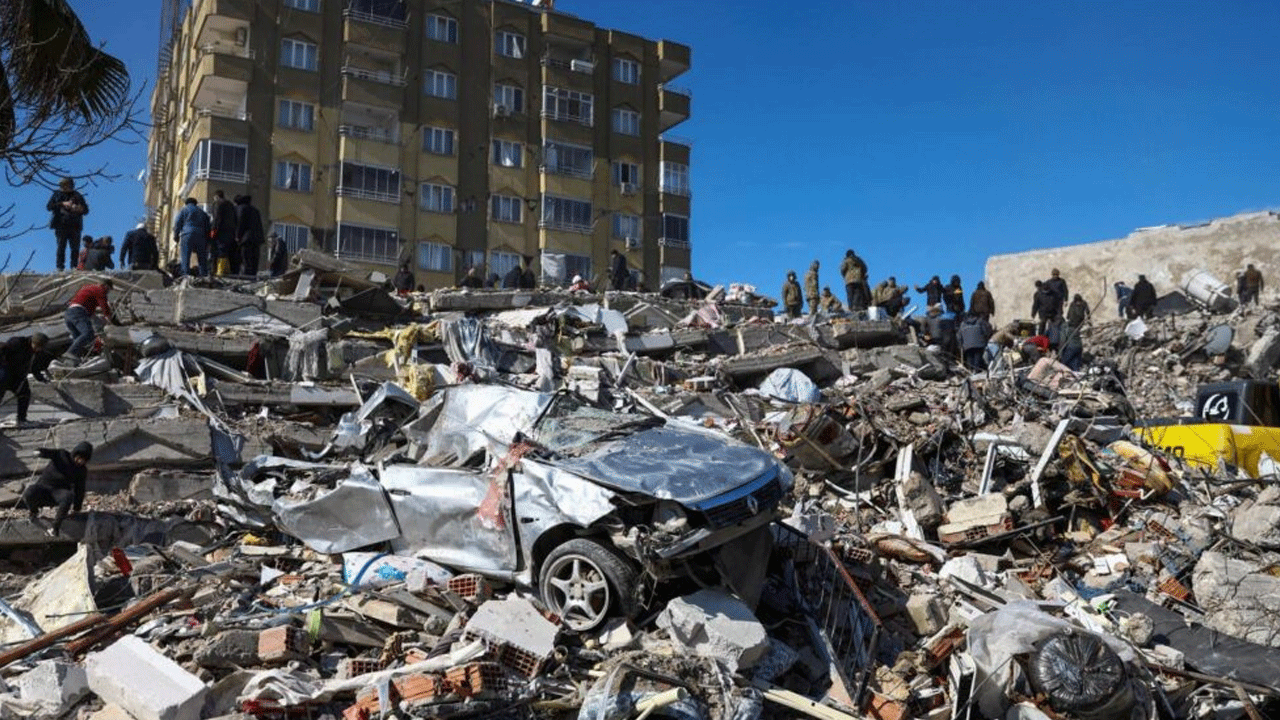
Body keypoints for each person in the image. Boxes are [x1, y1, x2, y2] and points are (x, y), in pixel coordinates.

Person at [19, 442, 92, 537]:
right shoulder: (62, 455)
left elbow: (80, 489)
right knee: (30, 491)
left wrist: (77, 508)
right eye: (79, 458)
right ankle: (34, 511)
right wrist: (39, 452)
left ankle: (55, 527)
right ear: (75, 454)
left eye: (84, 460)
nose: (80, 462)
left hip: (58, 493)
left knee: (68, 496)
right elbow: (49, 453)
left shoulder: (81, 471)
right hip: (43, 488)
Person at [0, 334, 52, 427]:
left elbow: (35, 367)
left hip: (18, 377)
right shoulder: (17, 343)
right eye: (37, 346)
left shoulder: (36, 352)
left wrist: (40, 377)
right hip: (5, 373)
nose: (38, 349)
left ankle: (21, 419)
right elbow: (3, 350)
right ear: (33, 342)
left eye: (40, 348)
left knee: (24, 394)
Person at [64, 279, 118, 364]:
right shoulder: (100, 290)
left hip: (69, 313)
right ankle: (70, 353)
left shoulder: (88, 288)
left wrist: (99, 320)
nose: (107, 293)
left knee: (78, 339)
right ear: (106, 286)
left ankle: (71, 362)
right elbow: (104, 306)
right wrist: (109, 318)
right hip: (78, 312)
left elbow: (91, 313)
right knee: (88, 334)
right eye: (109, 290)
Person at [46, 177, 89, 272]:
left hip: (75, 226)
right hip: (61, 224)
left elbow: (86, 210)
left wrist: (78, 208)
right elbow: (49, 206)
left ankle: (74, 267)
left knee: (75, 248)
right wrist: (62, 204)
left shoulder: (77, 195)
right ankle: (60, 267)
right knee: (61, 247)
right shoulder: (57, 195)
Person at [173, 197, 212, 277]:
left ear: (186, 203)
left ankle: (185, 274)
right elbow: (208, 226)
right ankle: (203, 275)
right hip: (201, 236)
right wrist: (208, 239)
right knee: (202, 257)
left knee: (185, 256)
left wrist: (176, 235)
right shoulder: (202, 212)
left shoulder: (184, 210)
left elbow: (178, 222)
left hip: (187, 234)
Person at [235, 195, 265, 276]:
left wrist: (238, 236)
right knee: (254, 260)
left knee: (246, 260)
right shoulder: (255, 210)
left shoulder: (241, 208)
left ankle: (246, 277)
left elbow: (240, 224)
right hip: (257, 239)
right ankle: (253, 276)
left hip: (246, 239)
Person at [210, 189, 238, 276]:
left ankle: (219, 272)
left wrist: (213, 231)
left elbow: (217, 219)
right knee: (226, 252)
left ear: (216, 197)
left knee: (219, 251)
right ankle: (225, 270)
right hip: (230, 233)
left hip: (220, 232)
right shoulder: (231, 205)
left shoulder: (217, 204)